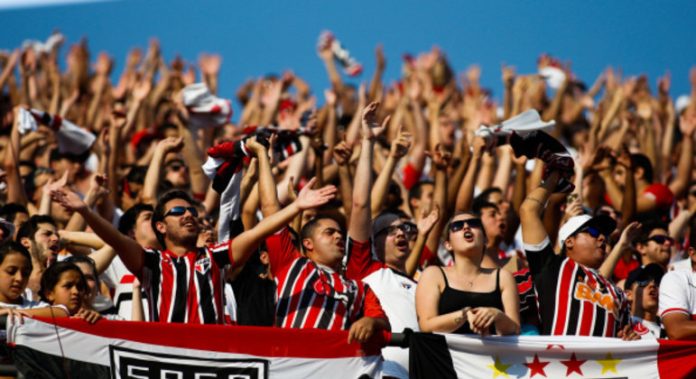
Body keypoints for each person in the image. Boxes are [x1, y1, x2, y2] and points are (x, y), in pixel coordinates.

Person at [50, 141, 337, 324]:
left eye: (191, 211)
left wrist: (297, 206)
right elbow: (116, 238)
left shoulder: (215, 257)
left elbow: (260, 229)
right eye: (177, 212)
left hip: (212, 362)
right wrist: (85, 211)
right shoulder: (151, 262)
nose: (188, 214)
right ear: (160, 227)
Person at [264, 102, 391, 344]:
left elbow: (384, 321)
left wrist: (370, 321)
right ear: (308, 243)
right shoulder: (290, 264)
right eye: (329, 232)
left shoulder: (358, 288)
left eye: (339, 233)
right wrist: (265, 159)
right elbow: (270, 209)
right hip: (288, 365)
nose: (338, 237)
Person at [520, 170, 635, 338]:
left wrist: (630, 337)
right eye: (593, 232)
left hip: (602, 364)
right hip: (557, 362)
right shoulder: (552, 268)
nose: (602, 238)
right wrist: (555, 175)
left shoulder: (617, 293)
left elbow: (625, 336)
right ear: (569, 241)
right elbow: (528, 211)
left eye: (605, 235)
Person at [415, 212, 520, 336]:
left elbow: (515, 329)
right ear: (448, 244)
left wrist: (497, 315)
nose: (466, 227)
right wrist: (463, 315)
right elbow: (426, 325)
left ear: (485, 240)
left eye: (474, 224)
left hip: (490, 354)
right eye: (457, 226)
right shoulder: (433, 274)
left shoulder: (503, 277)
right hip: (445, 354)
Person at [624, 264, 665, 338]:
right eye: (643, 281)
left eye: (658, 281)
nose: (653, 285)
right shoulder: (622, 326)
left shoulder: (670, 329)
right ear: (629, 295)